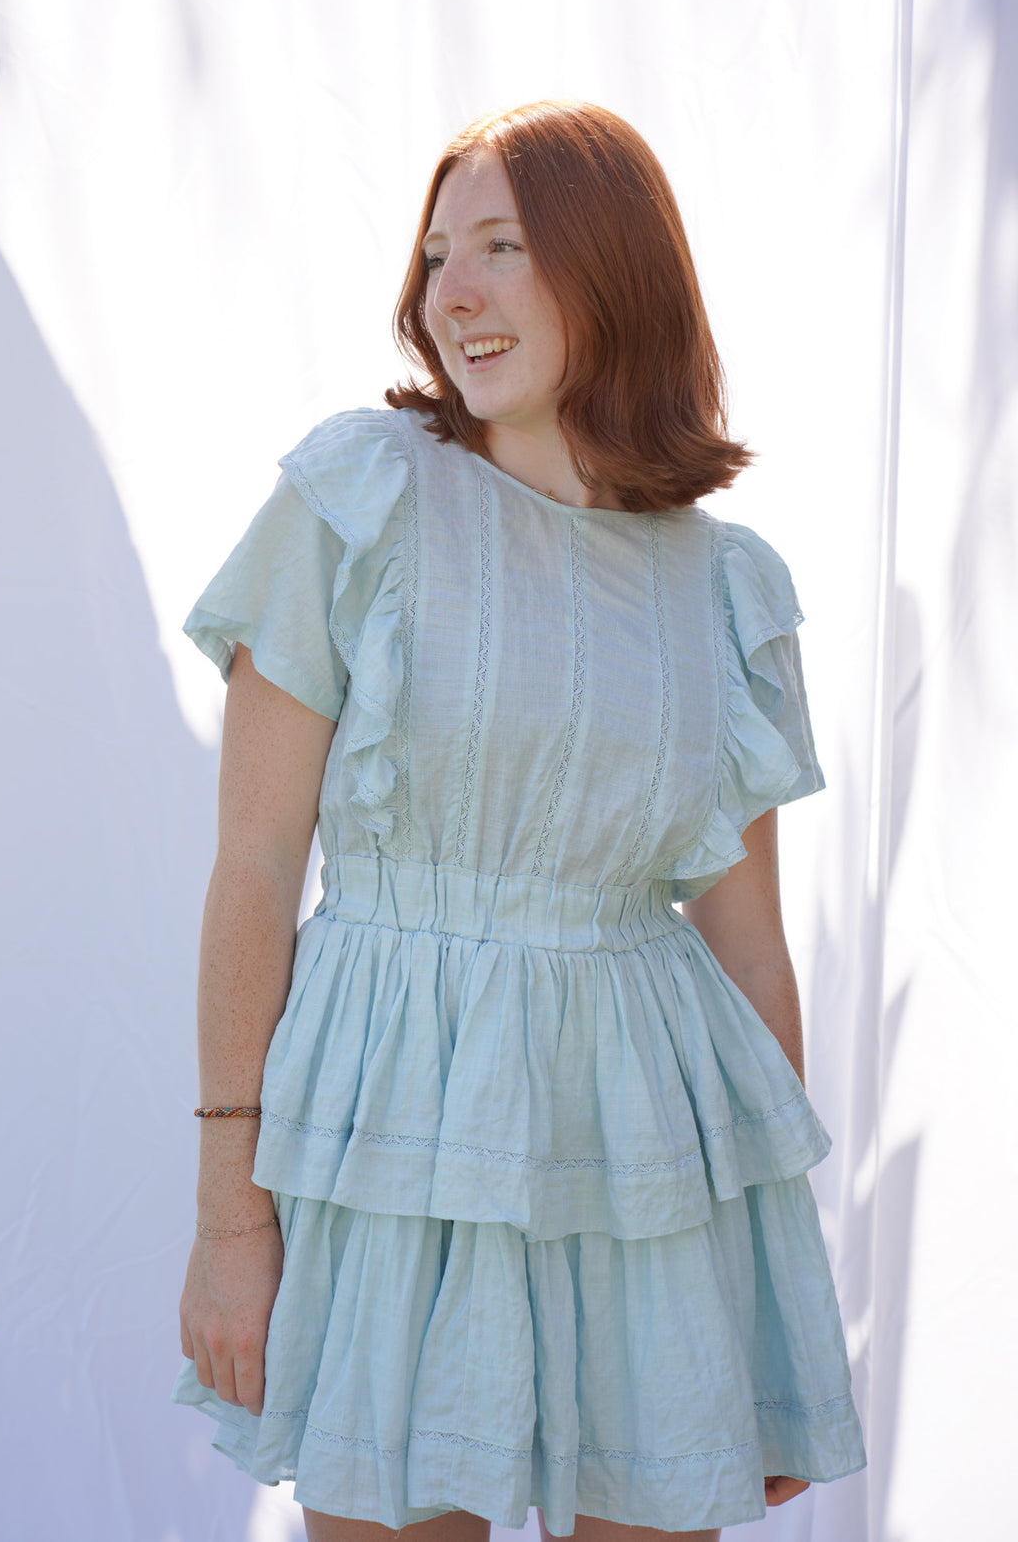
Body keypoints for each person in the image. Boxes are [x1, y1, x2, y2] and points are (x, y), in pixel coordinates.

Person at [172, 100, 867, 1541]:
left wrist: (766, 1303)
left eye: (503, 246)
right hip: (396, 1135)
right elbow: (253, 868)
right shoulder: (360, 500)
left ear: (614, 270)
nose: (457, 295)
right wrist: (230, 1217)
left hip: (645, 1164)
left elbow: (749, 961)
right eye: (439, 258)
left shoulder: (726, 584)